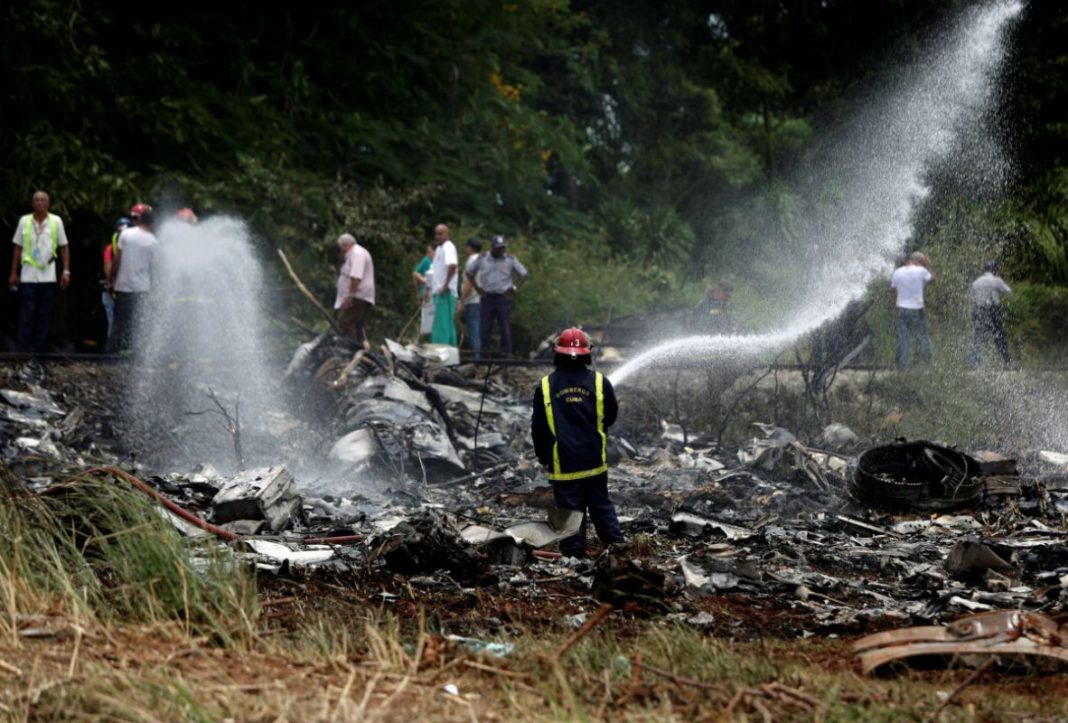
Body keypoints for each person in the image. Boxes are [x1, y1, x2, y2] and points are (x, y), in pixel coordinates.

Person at [531, 327, 624, 558]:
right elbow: (610, 416)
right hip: (594, 461)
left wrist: (544, 457)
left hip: (564, 463)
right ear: (587, 353)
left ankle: (574, 560)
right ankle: (617, 549)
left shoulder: (544, 386)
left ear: (557, 353)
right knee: (601, 506)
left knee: (570, 512)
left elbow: (539, 429)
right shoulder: (601, 383)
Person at [9, 190, 71, 354]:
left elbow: (64, 247)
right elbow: (18, 247)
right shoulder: (25, 221)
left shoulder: (55, 221)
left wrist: (66, 271)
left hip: (48, 275)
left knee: (44, 313)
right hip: (28, 274)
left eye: (43, 200)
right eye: (37, 200)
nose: (40, 203)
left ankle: (40, 348)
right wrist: (13, 273)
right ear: (32, 203)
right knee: (26, 313)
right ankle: (24, 349)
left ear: (48, 204)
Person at [466, 234, 528, 358]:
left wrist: (514, 288)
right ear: (492, 247)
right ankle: (485, 357)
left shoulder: (510, 259)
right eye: (498, 248)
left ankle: (506, 357)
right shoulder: (482, 258)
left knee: (504, 328)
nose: (500, 250)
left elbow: (523, 274)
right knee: (485, 329)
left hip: (503, 298)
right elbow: (469, 272)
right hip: (487, 297)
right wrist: (478, 288)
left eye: (502, 248)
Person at [108, 203, 158, 353]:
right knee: (138, 322)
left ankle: (115, 350)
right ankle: (136, 351)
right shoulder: (153, 241)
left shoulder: (126, 234)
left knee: (120, 321)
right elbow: (154, 268)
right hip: (142, 288)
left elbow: (116, 260)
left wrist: (112, 280)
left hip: (123, 285)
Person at [890, 251, 935, 367]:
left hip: (901, 308)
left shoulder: (897, 272)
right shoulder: (921, 271)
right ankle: (929, 364)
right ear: (920, 261)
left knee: (903, 339)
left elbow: (894, 292)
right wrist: (928, 265)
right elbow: (933, 279)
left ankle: (902, 366)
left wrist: (895, 309)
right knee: (922, 336)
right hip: (917, 309)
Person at [970, 260, 1012, 368]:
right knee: (999, 337)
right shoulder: (996, 280)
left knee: (979, 337)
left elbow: (973, 298)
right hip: (993, 311)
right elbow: (1008, 292)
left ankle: (974, 362)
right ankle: (1007, 362)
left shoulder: (976, 282)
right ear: (994, 269)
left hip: (979, 310)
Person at [334, 232, 375, 344]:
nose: (341, 251)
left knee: (346, 321)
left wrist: (350, 296)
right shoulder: (354, 254)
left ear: (345, 245)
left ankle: (351, 349)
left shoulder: (357, 253)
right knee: (356, 324)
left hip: (358, 295)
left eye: (340, 247)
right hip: (357, 295)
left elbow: (356, 277)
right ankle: (359, 349)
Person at [102, 216, 131, 342]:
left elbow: (108, 266)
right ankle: (116, 347)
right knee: (115, 319)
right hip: (117, 288)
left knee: (119, 319)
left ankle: (120, 346)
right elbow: (108, 266)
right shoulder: (111, 248)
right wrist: (111, 283)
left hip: (124, 287)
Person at [429, 223, 458, 345]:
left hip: (445, 292)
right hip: (439, 291)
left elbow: (452, 265)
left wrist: (445, 286)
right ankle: (451, 352)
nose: (437, 236)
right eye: (436, 234)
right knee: (447, 324)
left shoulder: (448, 247)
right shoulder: (439, 249)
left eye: (440, 234)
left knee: (441, 325)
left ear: (447, 234)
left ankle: (440, 352)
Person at [459, 237, 483, 354]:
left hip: (472, 300)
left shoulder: (471, 261)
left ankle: (476, 358)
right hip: (481, 299)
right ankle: (479, 356)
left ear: (469, 247)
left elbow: (469, 282)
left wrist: (461, 299)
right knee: (477, 329)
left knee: (473, 329)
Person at [412, 244, 435, 340]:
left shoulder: (433, 262)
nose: (429, 254)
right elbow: (415, 273)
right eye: (429, 252)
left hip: (430, 293)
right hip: (427, 294)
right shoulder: (427, 261)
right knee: (427, 320)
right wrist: (419, 290)